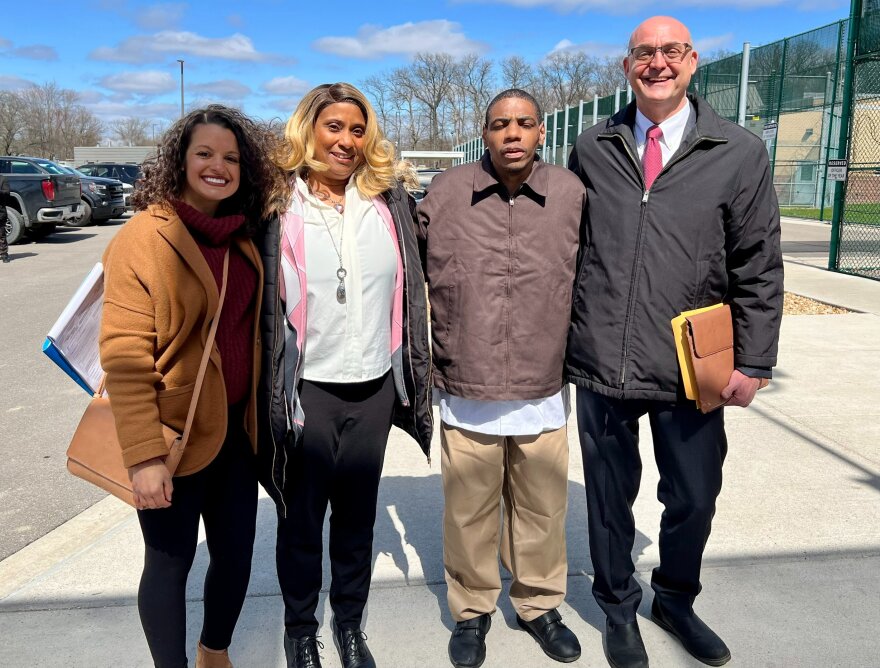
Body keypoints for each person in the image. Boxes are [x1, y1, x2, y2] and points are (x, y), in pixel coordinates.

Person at [567, 16, 783, 668]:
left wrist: (755, 360)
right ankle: (617, 607)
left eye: (669, 52)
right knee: (609, 498)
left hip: (694, 365)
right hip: (603, 356)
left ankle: (676, 599)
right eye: (643, 53)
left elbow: (759, 263)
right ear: (627, 66)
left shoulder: (737, 152)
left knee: (693, 494)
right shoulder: (591, 145)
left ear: (691, 63)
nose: (656, 63)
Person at [99, 105, 285, 668]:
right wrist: (143, 456)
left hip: (234, 436)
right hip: (171, 436)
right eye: (204, 153)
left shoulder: (244, 236)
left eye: (230, 158)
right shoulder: (144, 238)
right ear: (179, 160)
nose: (217, 166)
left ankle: (214, 651)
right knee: (169, 562)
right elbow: (125, 358)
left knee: (235, 557)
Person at [258, 82, 433, 668]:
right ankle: (300, 631)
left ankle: (350, 626)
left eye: (357, 130)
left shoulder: (388, 203)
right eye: (333, 127)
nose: (346, 141)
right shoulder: (278, 207)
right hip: (307, 390)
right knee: (302, 520)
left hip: (374, 388)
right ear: (308, 129)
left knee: (357, 519)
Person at [416, 89, 585, 668]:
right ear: (483, 133)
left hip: (542, 381)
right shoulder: (446, 193)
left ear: (541, 131)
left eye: (524, 124)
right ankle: (472, 610)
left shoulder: (569, 193)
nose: (512, 134)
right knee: (468, 510)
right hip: (468, 381)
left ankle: (539, 605)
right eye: (499, 125)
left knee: (541, 508)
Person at [0, 174, 10, 263]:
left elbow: (7, 192)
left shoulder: (2, 178)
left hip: (0, 210)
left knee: (1, 233)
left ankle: (4, 254)